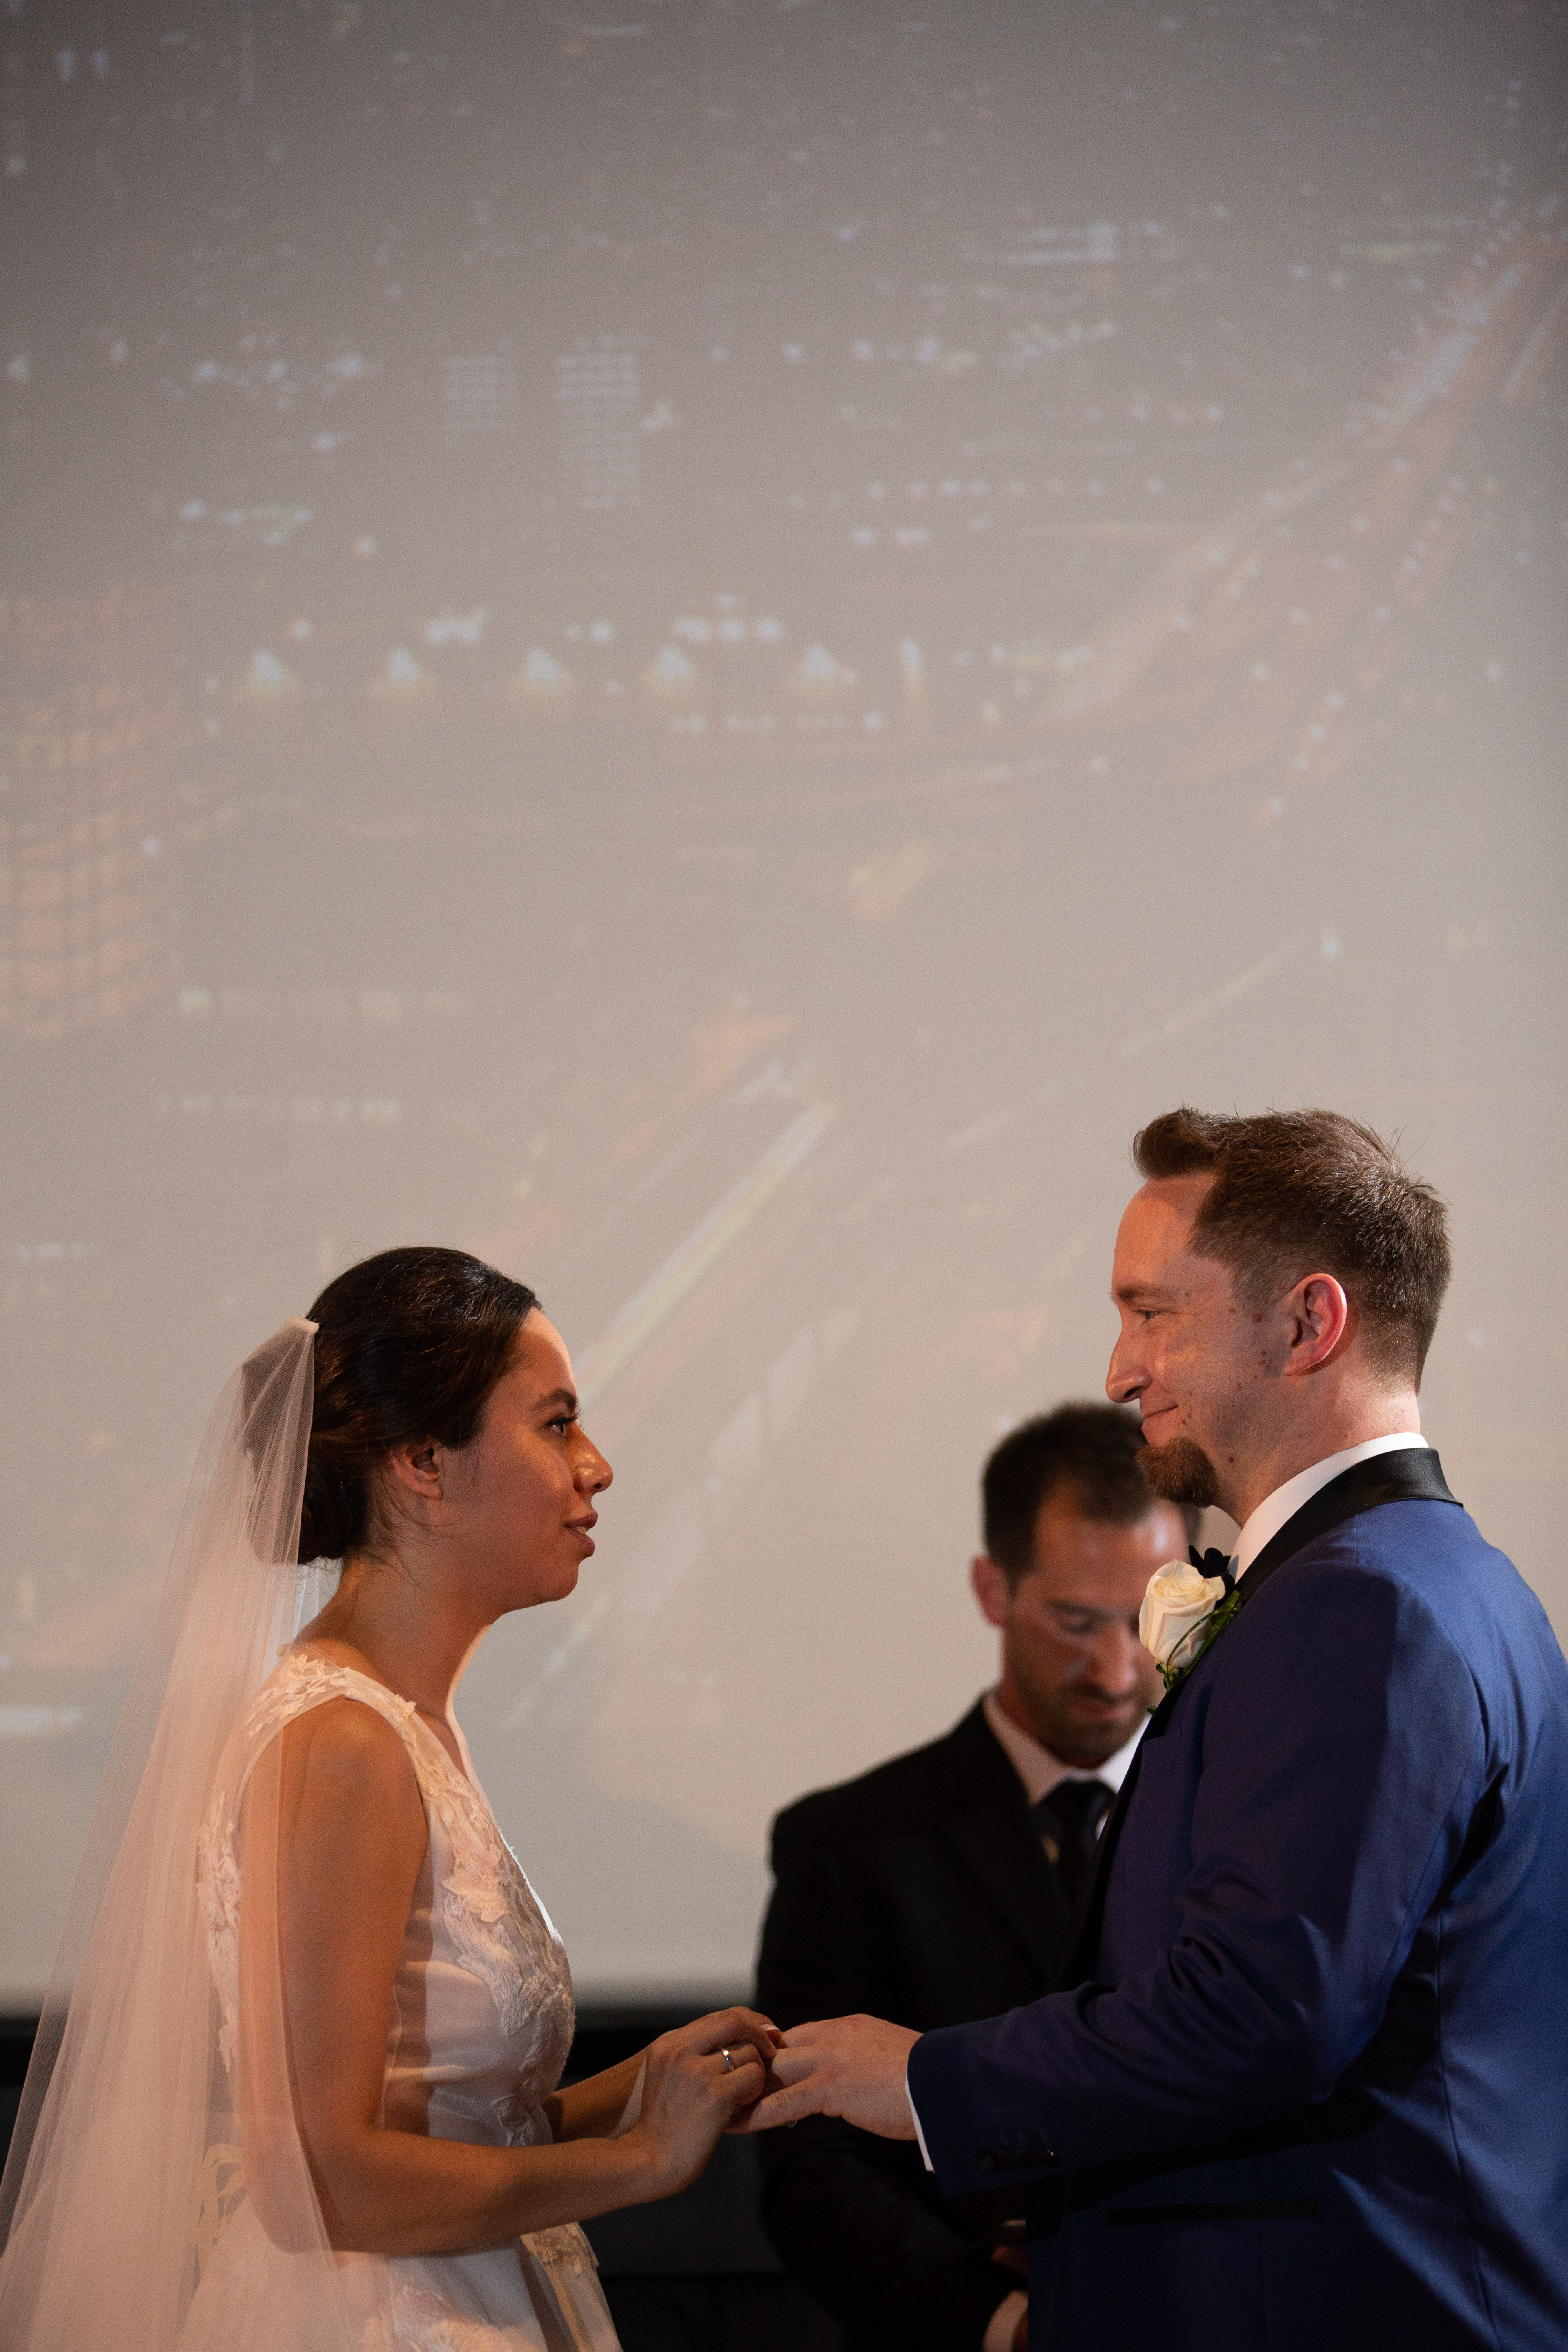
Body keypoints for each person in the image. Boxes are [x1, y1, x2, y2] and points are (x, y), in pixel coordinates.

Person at [744, 1110, 1568, 2350]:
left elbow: (1258, 2016)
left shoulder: (1358, 1603)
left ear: (1310, 1323)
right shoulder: (1451, 1578)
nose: (1121, 1369)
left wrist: (922, 2079)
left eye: (1154, 1313)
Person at [0, 1247, 776, 2352]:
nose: (596, 1467)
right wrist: (643, 2161)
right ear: (421, 1461)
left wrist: (652, 2084)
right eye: (556, 1424)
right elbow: (319, 2182)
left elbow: (455, 2120)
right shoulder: (344, 1744)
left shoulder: (403, 1723)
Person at [755, 1406, 1193, 2352]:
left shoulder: (1238, 1819)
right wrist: (1005, 2325)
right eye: (1075, 1622)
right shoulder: (849, 1843)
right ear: (993, 1589)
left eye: (1146, 1623)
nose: (1117, 1670)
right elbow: (812, 2166)